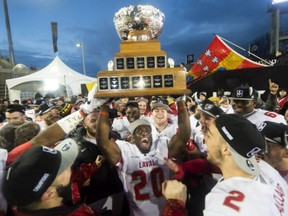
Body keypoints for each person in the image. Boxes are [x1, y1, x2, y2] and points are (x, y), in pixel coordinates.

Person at [162, 114, 288, 216]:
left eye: (209, 134)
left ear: (226, 149)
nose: (204, 139)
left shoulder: (224, 205)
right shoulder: (264, 168)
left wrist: (175, 204)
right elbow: (210, 165)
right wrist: (183, 167)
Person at [96, 97, 190, 216]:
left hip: (169, 211)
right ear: (132, 138)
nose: (144, 132)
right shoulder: (125, 150)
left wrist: (180, 101)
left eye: (147, 130)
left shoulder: (163, 145)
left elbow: (184, 135)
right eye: (138, 131)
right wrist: (105, 107)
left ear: (152, 135)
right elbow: (102, 142)